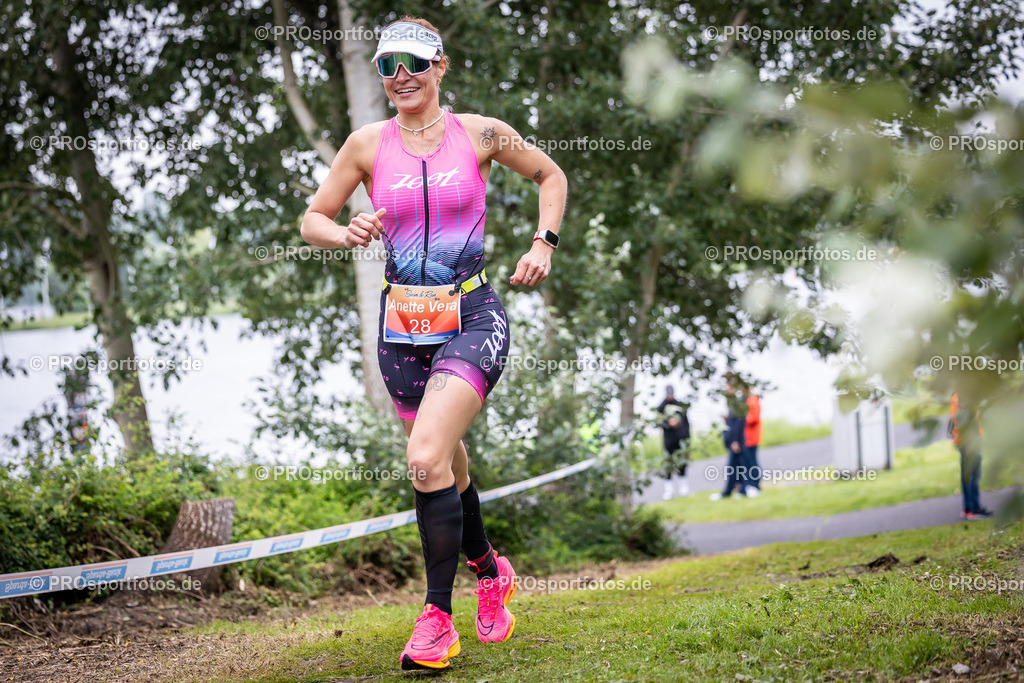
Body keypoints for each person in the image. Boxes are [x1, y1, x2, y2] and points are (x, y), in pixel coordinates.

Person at [300, 17, 567, 670]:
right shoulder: (365, 144)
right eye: (388, 65)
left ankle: (437, 618)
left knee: (423, 460)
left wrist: (543, 244)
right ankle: (490, 568)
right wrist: (346, 233)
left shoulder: (481, 133)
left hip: (473, 314)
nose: (400, 77)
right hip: (402, 329)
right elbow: (312, 219)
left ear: (440, 66)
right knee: (446, 464)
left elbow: (550, 176)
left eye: (414, 64)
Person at [950, 393, 992, 520]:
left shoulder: (956, 396)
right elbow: (967, 419)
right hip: (970, 441)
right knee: (973, 474)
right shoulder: (965, 396)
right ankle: (973, 509)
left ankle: (969, 509)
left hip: (962, 440)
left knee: (967, 475)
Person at [710, 376, 752, 500]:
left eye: (728, 388)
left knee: (738, 467)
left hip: (737, 441)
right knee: (734, 468)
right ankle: (733, 490)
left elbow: (739, 424)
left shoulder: (737, 404)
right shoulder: (732, 403)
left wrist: (735, 441)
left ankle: (741, 490)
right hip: (732, 441)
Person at [657, 386, 691, 499]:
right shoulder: (661, 407)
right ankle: (668, 490)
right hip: (669, 440)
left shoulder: (680, 406)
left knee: (682, 463)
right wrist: (668, 422)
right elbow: (659, 422)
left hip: (680, 439)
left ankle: (683, 488)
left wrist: (687, 442)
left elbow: (686, 425)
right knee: (668, 463)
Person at [741, 388, 762, 496]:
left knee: (752, 462)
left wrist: (742, 419)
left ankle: (755, 485)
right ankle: (750, 485)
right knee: (748, 462)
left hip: (751, 438)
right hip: (747, 438)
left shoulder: (752, 401)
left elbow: (754, 418)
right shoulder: (749, 401)